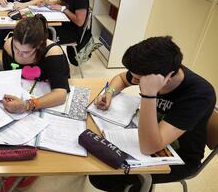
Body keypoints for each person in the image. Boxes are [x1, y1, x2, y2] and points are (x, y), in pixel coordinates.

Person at [89, 36, 216, 192]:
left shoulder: (199, 94)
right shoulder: (155, 72)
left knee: (101, 177)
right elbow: (122, 78)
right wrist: (109, 93)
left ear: (164, 79)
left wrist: (149, 94)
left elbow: (149, 147)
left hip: (179, 157)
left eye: (138, 79)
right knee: (94, 151)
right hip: (147, 135)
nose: (133, 80)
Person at [0, 15, 70, 192]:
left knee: (40, 134)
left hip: (45, 100)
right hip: (22, 94)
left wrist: (27, 105)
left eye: (26, 52)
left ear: (39, 46)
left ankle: (31, 166)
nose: (20, 55)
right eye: (17, 49)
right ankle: (13, 166)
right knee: (6, 126)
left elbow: (61, 94)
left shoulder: (53, 52)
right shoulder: (9, 46)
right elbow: (10, 76)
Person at [45, 0, 90, 66]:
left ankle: (53, 64)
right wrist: (45, 3)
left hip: (73, 32)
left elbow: (80, 22)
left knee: (43, 37)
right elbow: (59, 3)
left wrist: (63, 9)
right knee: (41, 30)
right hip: (64, 24)